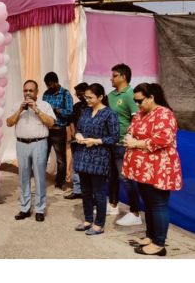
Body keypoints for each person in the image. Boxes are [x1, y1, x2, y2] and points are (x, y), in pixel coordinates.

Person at [122, 83, 182, 256]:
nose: (137, 105)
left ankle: (159, 243)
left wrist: (136, 143)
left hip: (159, 168)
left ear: (151, 97)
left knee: (158, 205)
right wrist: (129, 137)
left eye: (140, 101)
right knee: (148, 204)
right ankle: (150, 236)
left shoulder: (165, 114)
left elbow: (163, 139)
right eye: (135, 101)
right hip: (143, 168)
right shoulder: (141, 114)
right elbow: (132, 130)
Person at [73, 83, 120, 236]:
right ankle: (88, 220)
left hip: (99, 158)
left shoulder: (109, 114)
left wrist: (96, 141)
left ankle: (99, 224)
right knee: (85, 190)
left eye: (90, 97)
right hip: (82, 156)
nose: (87, 100)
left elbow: (114, 137)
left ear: (100, 97)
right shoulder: (85, 111)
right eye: (86, 97)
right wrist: (78, 136)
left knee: (98, 192)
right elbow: (79, 128)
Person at [7, 80, 56, 222]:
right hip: (21, 144)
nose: (28, 93)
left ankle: (40, 209)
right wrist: (20, 111)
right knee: (23, 176)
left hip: (39, 143)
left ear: (37, 92)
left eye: (31, 90)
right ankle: (25, 208)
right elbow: (9, 122)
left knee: (40, 177)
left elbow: (51, 123)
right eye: (25, 90)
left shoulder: (45, 105)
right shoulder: (17, 105)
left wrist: (37, 110)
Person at [107, 63, 143, 225]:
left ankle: (135, 213)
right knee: (112, 176)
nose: (111, 78)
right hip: (111, 143)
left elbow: (137, 120)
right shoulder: (111, 95)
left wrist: (130, 140)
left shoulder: (131, 95)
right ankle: (113, 205)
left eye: (114, 75)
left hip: (124, 145)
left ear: (123, 77)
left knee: (127, 179)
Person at [42, 72, 73, 194]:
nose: (49, 87)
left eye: (50, 85)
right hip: (46, 130)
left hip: (59, 130)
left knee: (61, 159)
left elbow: (70, 112)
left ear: (56, 82)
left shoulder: (65, 94)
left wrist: (57, 110)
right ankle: (41, 182)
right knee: (42, 157)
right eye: (47, 85)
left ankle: (59, 185)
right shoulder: (46, 94)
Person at [65, 82, 89, 200]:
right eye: (77, 94)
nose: (79, 96)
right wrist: (74, 134)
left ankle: (88, 192)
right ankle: (77, 190)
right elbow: (71, 121)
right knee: (76, 165)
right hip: (77, 140)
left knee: (88, 167)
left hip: (90, 141)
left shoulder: (93, 106)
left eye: (81, 94)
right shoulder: (77, 106)